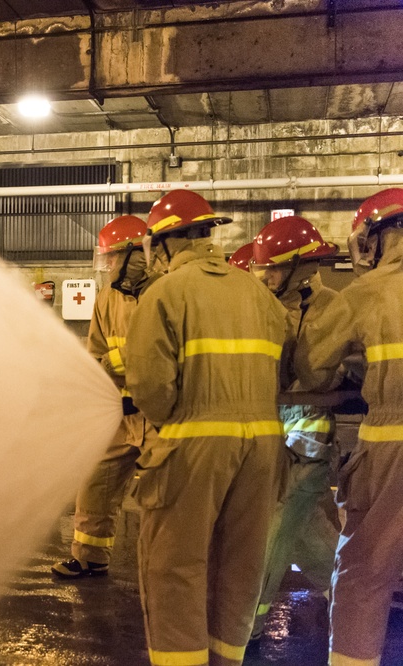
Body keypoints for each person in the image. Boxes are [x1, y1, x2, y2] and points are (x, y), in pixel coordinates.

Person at [125, 190, 289, 666]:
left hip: (192, 444)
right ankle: (226, 659)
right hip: (262, 446)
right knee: (239, 565)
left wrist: (175, 419)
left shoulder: (164, 293)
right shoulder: (257, 292)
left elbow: (151, 388)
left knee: (175, 566)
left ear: (165, 242)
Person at [295, 188, 403, 666]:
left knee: (364, 569)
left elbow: (316, 368)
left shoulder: (366, 292)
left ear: (378, 237)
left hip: (391, 443)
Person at [246, 216, 343, 640]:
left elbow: (326, 377)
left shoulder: (336, 309)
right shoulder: (268, 307)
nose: (265, 276)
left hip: (308, 435)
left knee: (276, 521)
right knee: (309, 532)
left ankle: (247, 624)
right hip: (273, 428)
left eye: (273, 268)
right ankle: (347, 589)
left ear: (302, 267)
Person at [52, 214, 157, 579]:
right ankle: (89, 556)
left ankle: (171, 569)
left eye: (113, 257)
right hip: (123, 413)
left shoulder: (167, 292)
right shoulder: (107, 298)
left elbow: (162, 353)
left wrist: (116, 362)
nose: (108, 265)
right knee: (97, 480)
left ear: (134, 255)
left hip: (161, 415)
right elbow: (97, 349)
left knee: (166, 496)